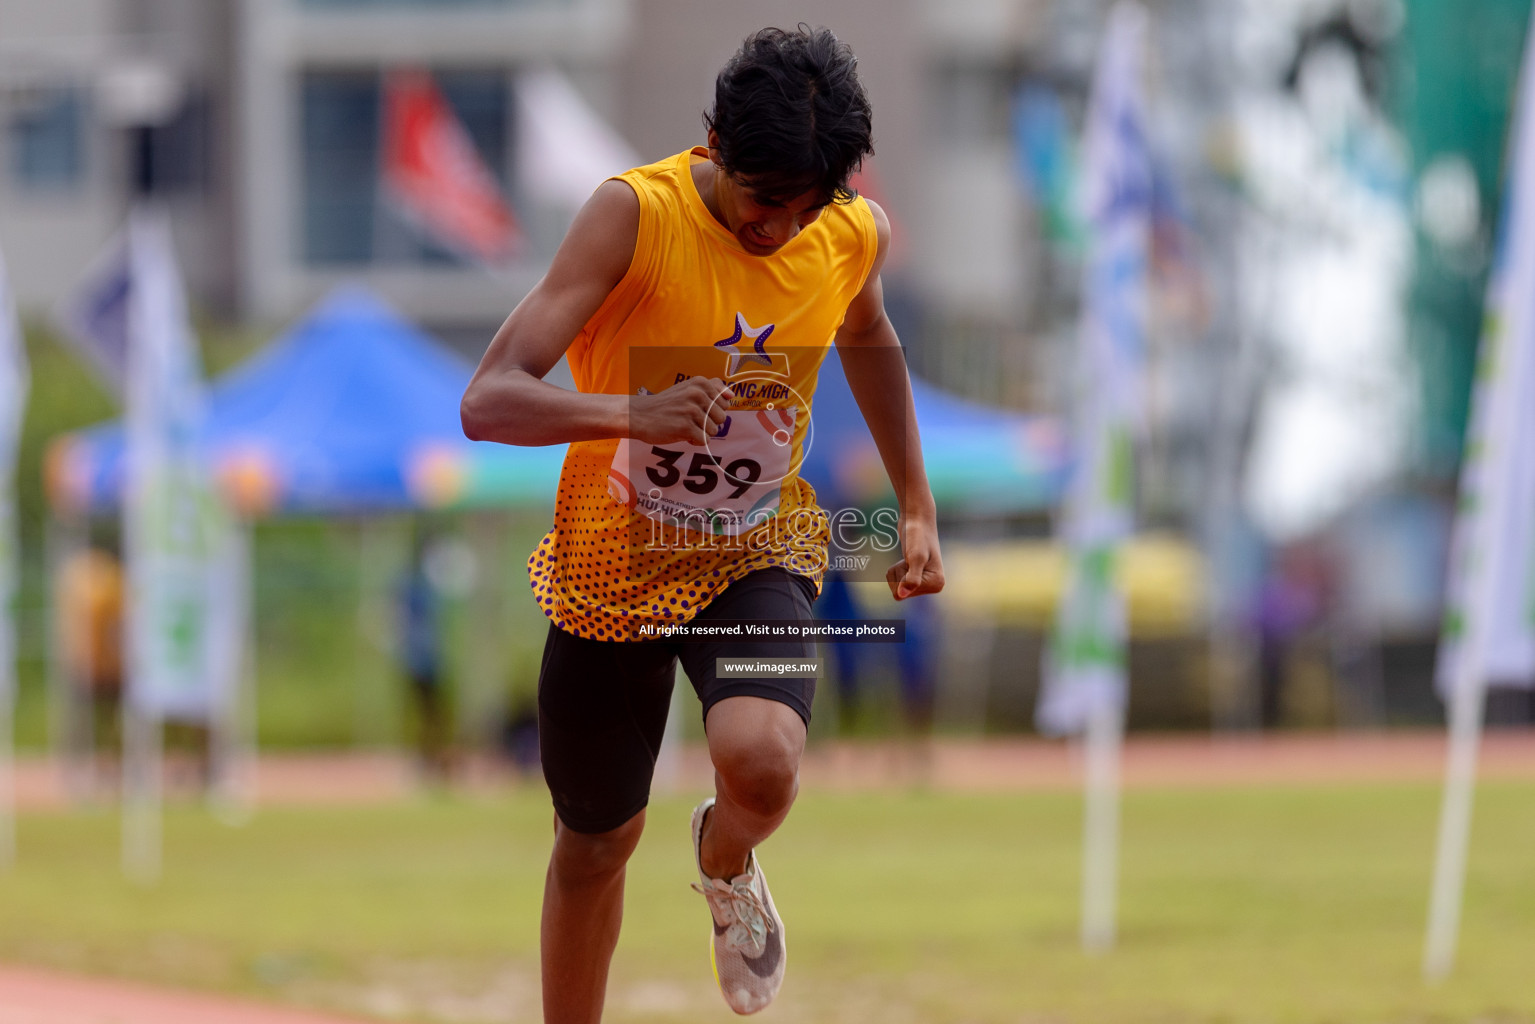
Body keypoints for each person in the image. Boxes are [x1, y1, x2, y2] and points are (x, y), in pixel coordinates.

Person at [461, 25, 943, 1021]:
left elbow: (869, 334)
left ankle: (725, 860)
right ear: (714, 141)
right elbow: (489, 399)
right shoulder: (631, 216)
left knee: (763, 764)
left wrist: (915, 503)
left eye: (806, 206)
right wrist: (629, 413)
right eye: (765, 201)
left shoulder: (848, 234)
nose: (781, 229)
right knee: (594, 842)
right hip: (612, 565)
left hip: (751, 549)